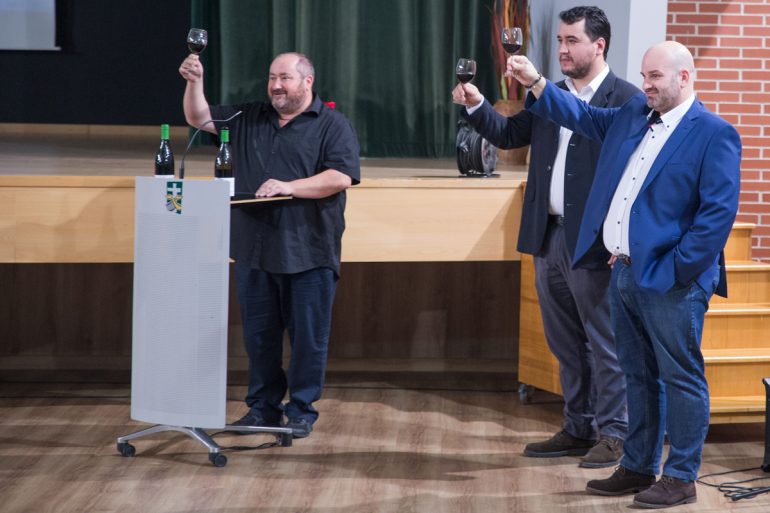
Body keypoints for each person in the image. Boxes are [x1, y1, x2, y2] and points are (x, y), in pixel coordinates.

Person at [507, 41, 741, 508]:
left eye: (656, 76)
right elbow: (585, 118)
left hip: (671, 281)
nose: (647, 84)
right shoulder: (636, 112)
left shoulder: (714, 133)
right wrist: (536, 83)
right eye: (644, 74)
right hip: (624, 272)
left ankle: (681, 476)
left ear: (685, 78)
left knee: (680, 377)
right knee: (637, 374)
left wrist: (675, 270)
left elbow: (716, 216)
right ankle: (637, 465)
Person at [452, 6, 638, 468]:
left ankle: (615, 434)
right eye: (559, 40)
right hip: (548, 236)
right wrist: (476, 105)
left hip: (592, 242)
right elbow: (511, 135)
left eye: (571, 41)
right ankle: (579, 426)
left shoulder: (624, 99)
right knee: (564, 342)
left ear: (599, 45)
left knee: (604, 342)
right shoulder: (550, 94)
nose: (561, 50)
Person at [179, 51, 360, 438]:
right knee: (259, 338)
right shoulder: (249, 117)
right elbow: (198, 118)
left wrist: (289, 186)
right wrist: (195, 82)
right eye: (272, 78)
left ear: (307, 82)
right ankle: (262, 407)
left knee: (308, 337)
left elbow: (340, 176)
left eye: (286, 78)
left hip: (308, 251)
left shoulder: (332, 125)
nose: (276, 85)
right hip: (254, 250)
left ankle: (301, 410)